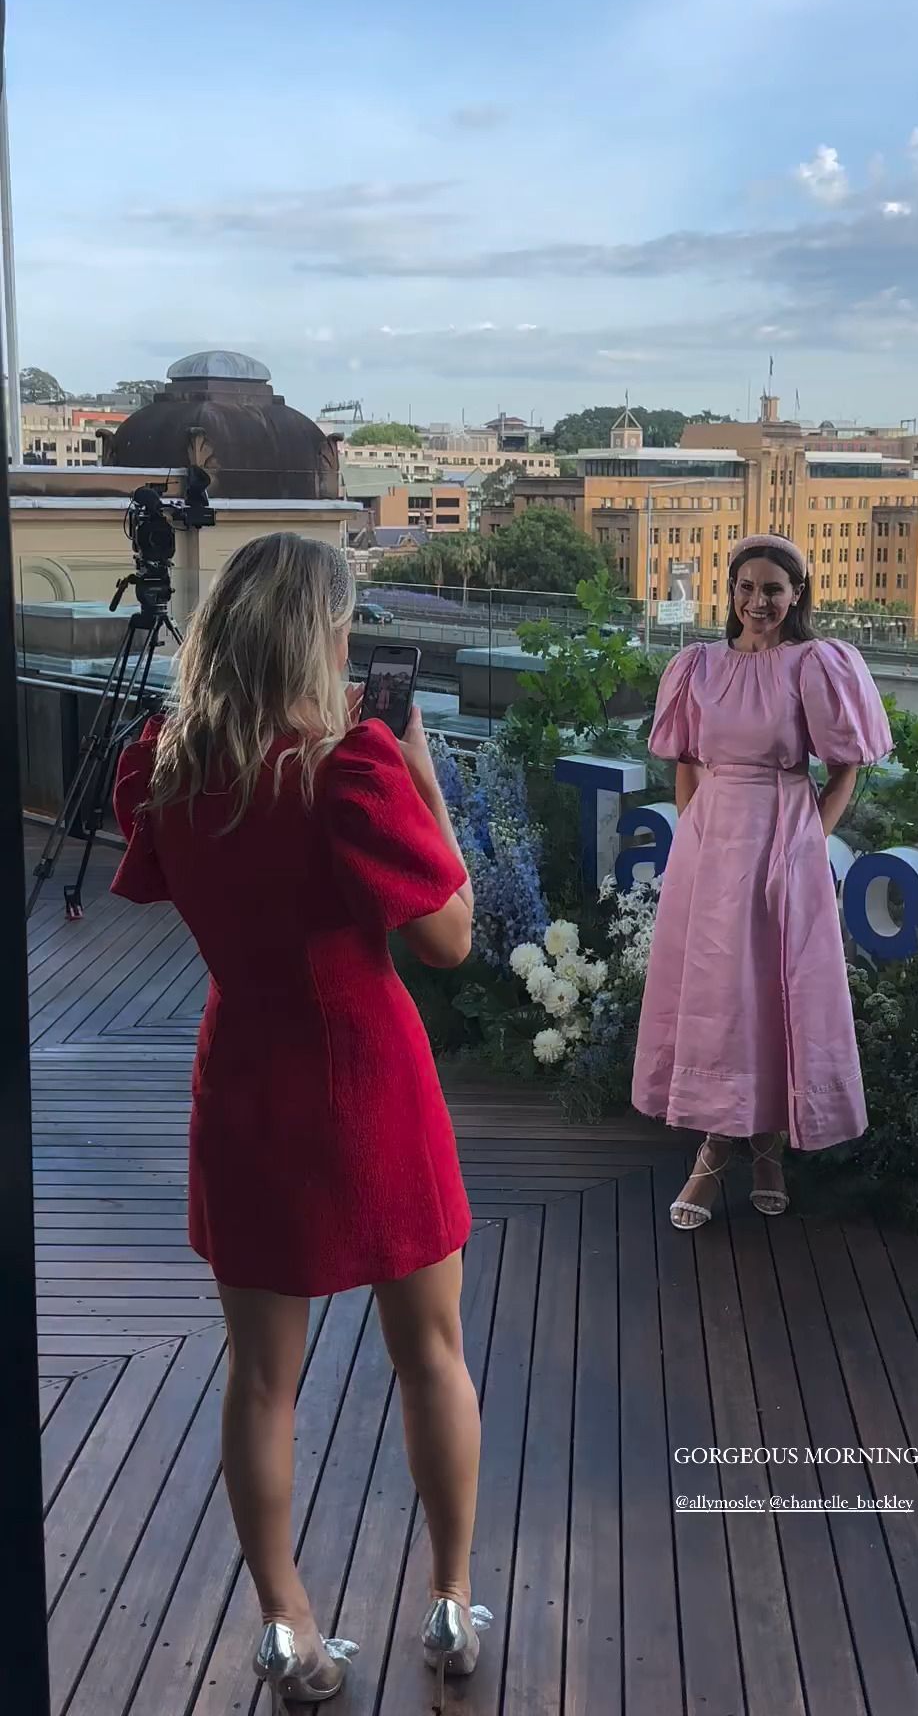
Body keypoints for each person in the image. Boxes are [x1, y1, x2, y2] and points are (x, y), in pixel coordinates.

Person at [111, 534, 490, 1713]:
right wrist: (420, 775)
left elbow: (163, 881)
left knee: (260, 1381)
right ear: (319, 632)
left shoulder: (169, 761)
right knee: (431, 1353)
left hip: (246, 1081)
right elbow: (451, 938)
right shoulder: (351, 767)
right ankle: (448, 1599)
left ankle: (285, 1626)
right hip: (370, 1079)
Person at [632, 534, 892, 1227]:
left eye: (773, 589)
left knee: (775, 996)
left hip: (783, 841)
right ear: (732, 591)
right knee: (718, 999)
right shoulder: (699, 665)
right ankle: (718, 1150)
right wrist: (693, 837)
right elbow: (687, 760)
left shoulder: (815, 664)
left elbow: (846, 766)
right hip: (710, 849)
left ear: (796, 594)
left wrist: (810, 838)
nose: (758, 601)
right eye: (746, 587)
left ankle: (764, 1150)